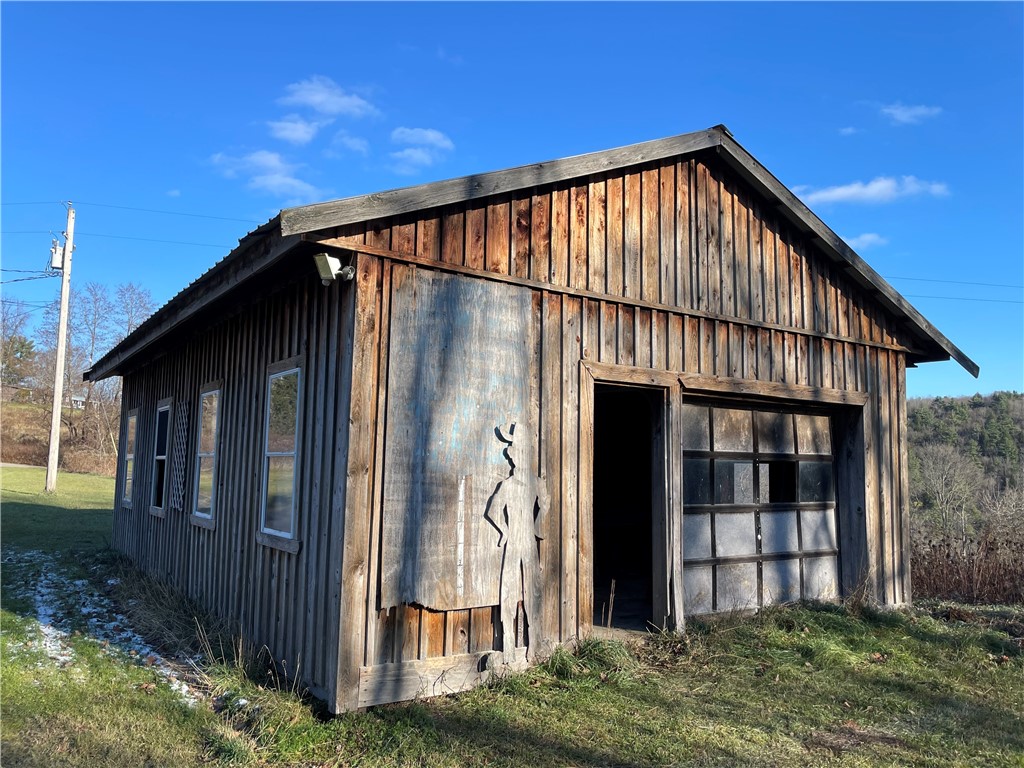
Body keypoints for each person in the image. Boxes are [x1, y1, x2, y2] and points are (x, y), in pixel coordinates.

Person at [485, 422, 548, 662]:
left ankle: (534, 644)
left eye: (523, 453)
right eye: (515, 454)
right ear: (512, 457)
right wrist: (504, 531)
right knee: (509, 590)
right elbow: (492, 510)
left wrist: (541, 518)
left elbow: (543, 514)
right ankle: (509, 644)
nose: (518, 458)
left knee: (532, 590)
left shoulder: (536, 483)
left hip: (528, 543)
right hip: (514, 544)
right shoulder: (508, 485)